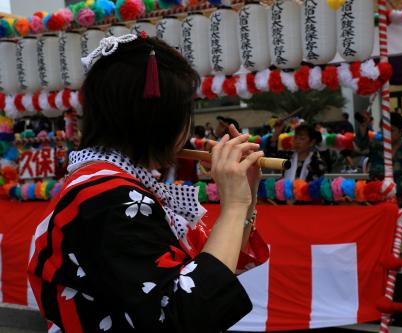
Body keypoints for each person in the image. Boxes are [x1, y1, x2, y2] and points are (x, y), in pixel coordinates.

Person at [28, 35, 268, 333]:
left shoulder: (105, 184)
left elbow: (210, 268)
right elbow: (187, 312)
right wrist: (234, 206)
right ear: (157, 120)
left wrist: (246, 198)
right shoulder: (108, 195)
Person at [356, 112, 402, 234]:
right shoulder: (376, 148)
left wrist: (387, 193)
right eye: (383, 130)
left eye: (391, 130)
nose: (386, 134)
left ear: (401, 132)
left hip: (401, 201)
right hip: (374, 199)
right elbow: (360, 147)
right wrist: (363, 127)